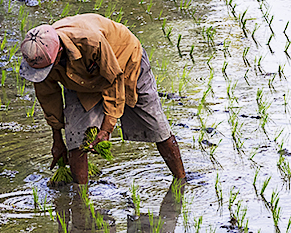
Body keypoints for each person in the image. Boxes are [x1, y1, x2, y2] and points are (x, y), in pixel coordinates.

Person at [19, 13, 186, 185]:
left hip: (124, 62)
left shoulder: (90, 42)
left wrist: (106, 129)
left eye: (48, 68)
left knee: (156, 125)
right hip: (80, 80)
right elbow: (48, 98)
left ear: (59, 52)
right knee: (75, 140)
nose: (43, 73)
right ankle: (80, 200)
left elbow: (114, 81)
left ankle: (181, 181)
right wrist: (57, 139)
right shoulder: (38, 60)